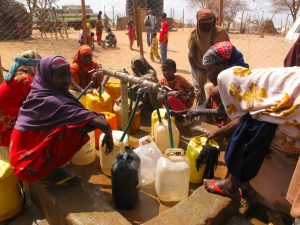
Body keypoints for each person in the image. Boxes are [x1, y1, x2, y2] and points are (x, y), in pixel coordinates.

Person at [200, 62, 300, 216]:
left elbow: (252, 119)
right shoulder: (267, 86)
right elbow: (254, 113)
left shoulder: (268, 109)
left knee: (249, 135)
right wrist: (221, 132)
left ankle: (231, 186)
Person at [9, 56, 114, 186]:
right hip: (26, 167)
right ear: (48, 76)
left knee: (76, 123)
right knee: (75, 130)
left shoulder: (40, 90)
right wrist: (109, 135)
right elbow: (101, 123)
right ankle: (46, 174)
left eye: (68, 75)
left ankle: (45, 165)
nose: (66, 81)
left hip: (20, 156)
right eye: (60, 76)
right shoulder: (53, 101)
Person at [174, 41, 249, 128]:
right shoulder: (223, 81)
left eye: (209, 69)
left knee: (215, 92)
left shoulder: (240, 82)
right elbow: (204, 106)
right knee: (212, 89)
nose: (207, 75)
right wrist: (182, 112)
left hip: (242, 125)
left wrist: (202, 112)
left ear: (224, 64)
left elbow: (231, 112)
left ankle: (227, 132)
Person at [0, 49, 41, 160]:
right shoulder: (26, 80)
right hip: (5, 132)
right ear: (32, 66)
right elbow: (40, 105)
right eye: (39, 66)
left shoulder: (16, 75)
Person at [188, 8, 229, 106]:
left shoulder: (221, 33)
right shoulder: (193, 36)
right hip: (199, 68)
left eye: (209, 23)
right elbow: (191, 57)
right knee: (200, 93)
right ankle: (201, 116)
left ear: (214, 21)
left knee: (216, 93)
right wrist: (200, 72)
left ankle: (215, 116)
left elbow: (227, 53)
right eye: (204, 24)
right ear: (198, 23)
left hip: (217, 69)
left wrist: (214, 72)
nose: (207, 26)